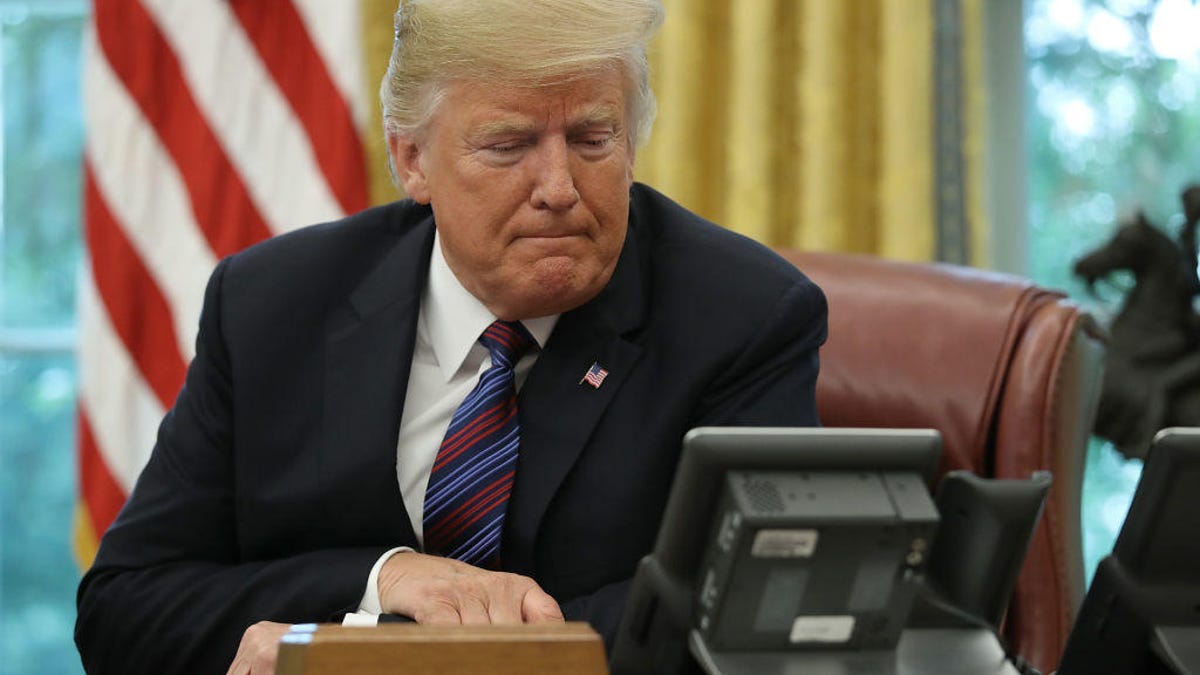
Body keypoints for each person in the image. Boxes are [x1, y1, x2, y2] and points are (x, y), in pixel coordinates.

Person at [74, 0, 827, 673]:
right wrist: (383, 578)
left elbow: (752, 614)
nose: (559, 187)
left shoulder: (743, 318)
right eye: (508, 145)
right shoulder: (273, 306)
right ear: (411, 160)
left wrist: (362, 654)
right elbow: (124, 609)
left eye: (594, 138)